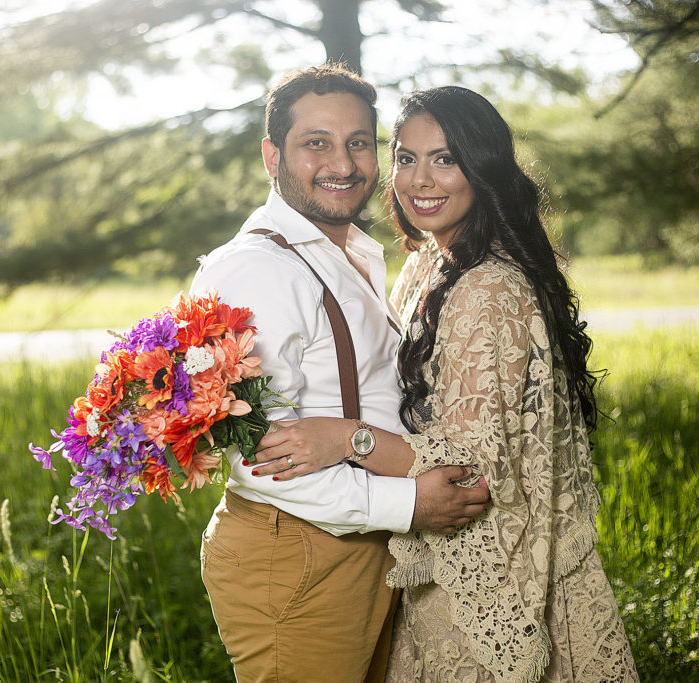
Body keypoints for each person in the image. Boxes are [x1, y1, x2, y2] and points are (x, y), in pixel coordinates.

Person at [253, 86, 639, 681]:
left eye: (445, 158)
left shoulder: (488, 289)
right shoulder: (427, 263)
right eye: (406, 158)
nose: (420, 180)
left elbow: (468, 477)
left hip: (494, 570)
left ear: (481, 169)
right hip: (430, 564)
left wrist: (347, 439)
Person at [189, 68, 491, 682]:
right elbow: (262, 456)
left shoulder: (347, 250)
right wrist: (408, 502)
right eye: (316, 143)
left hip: (357, 538)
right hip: (298, 549)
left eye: (358, 142)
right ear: (272, 155)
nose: (344, 163)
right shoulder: (258, 268)